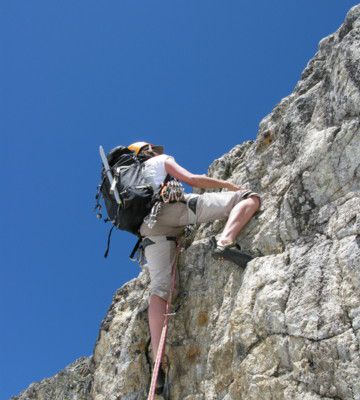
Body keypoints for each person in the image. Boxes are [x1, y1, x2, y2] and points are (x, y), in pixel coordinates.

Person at [127, 141, 261, 393]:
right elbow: (192, 178)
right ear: (147, 152)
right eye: (154, 149)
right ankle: (225, 241)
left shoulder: (130, 180)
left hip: (148, 230)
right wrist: (228, 185)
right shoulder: (160, 161)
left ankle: (158, 359)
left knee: (160, 289)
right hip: (172, 212)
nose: (159, 152)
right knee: (248, 198)